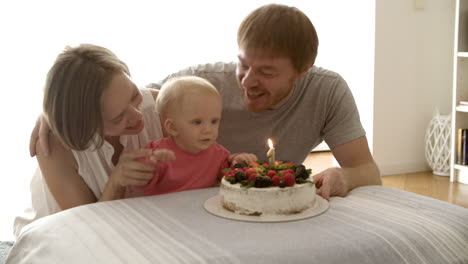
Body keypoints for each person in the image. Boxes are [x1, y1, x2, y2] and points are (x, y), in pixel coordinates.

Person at [30, 4, 381, 202]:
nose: (247, 80)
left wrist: (342, 175)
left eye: (267, 72)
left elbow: (367, 171)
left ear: (303, 71)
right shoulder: (200, 86)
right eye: (243, 65)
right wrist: (55, 114)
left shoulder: (329, 91)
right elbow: (81, 227)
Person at [14, 44, 169, 238]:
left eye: (134, 95)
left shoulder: (161, 106)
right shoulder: (52, 145)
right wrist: (116, 182)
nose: (137, 115)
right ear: (86, 124)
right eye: (118, 118)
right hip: (60, 236)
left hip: (134, 226)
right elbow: (88, 230)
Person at [127, 76, 257, 197]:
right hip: (164, 213)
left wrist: (238, 161)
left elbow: (229, 177)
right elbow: (136, 183)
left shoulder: (218, 153)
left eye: (214, 121)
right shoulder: (158, 153)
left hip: (200, 212)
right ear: (172, 127)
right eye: (197, 122)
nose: (208, 130)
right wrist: (150, 164)